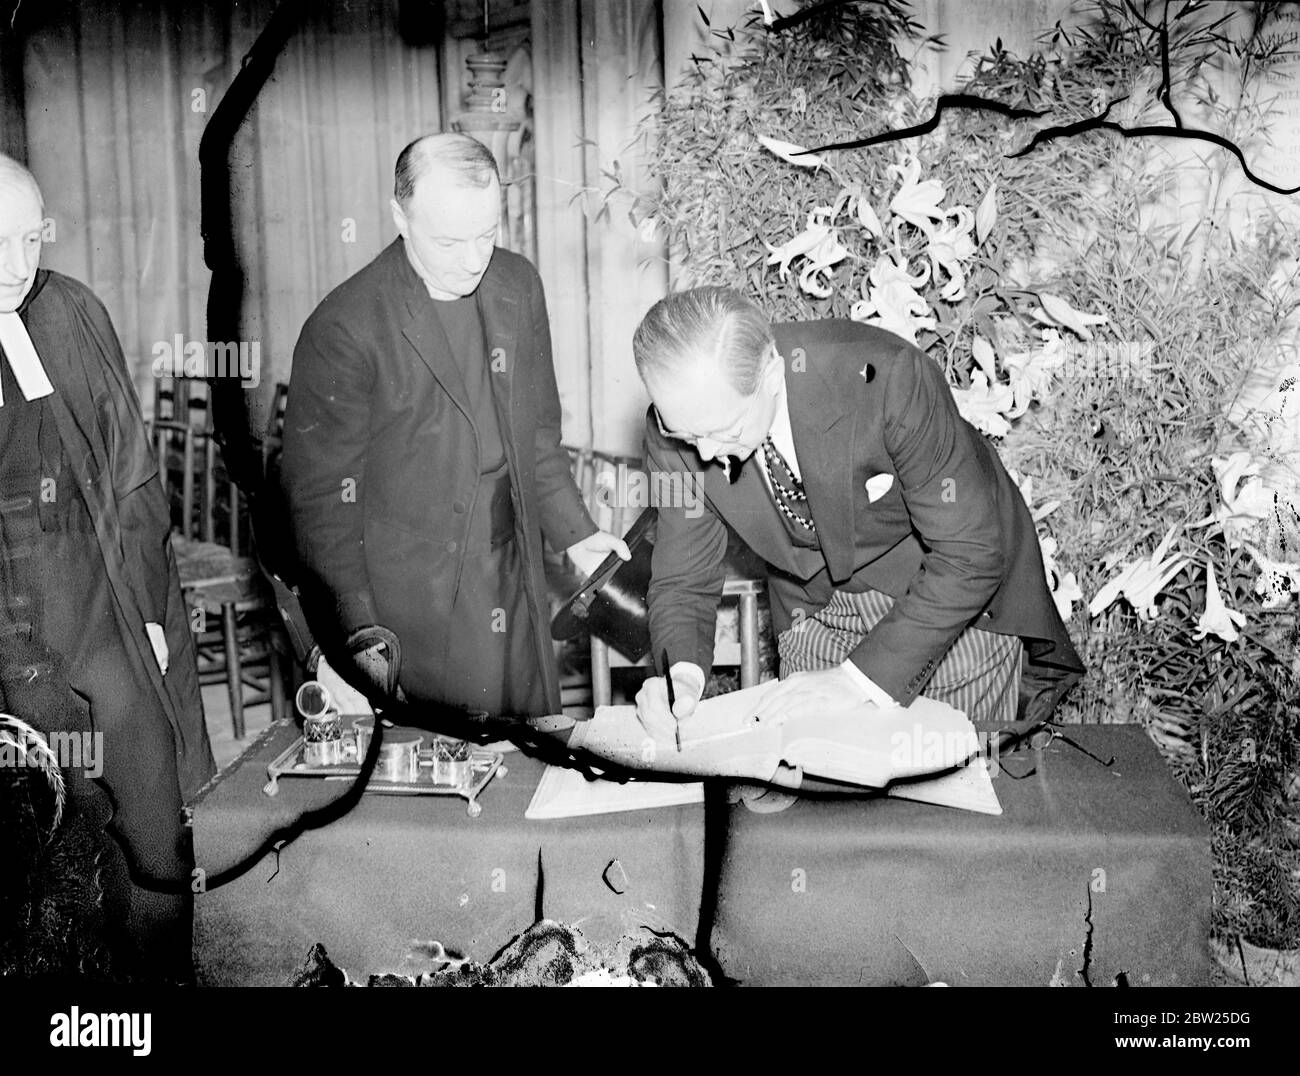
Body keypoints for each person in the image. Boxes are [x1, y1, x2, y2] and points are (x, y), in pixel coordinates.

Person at [631, 286, 1084, 739]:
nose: (707, 454)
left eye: (725, 430)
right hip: (813, 610)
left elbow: (969, 553)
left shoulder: (889, 379)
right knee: (817, 781)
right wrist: (682, 675)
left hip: (945, 607)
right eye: (688, 436)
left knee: (949, 780)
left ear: (772, 372)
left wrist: (857, 680)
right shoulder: (675, 430)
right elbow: (681, 578)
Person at [281, 133, 628, 719]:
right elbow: (321, 507)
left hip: (512, 574)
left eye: (487, 234)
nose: (473, 260)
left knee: (531, 758)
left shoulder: (518, 285)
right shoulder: (345, 326)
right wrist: (354, 641)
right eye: (448, 240)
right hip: (410, 600)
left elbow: (537, 435)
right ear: (401, 217)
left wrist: (576, 532)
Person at [0, 153, 214, 981]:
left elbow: (134, 481)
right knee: (47, 881)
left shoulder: (72, 311)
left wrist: (152, 615)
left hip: (106, 621)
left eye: (32, 239)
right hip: (13, 661)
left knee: (157, 839)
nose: (21, 267)